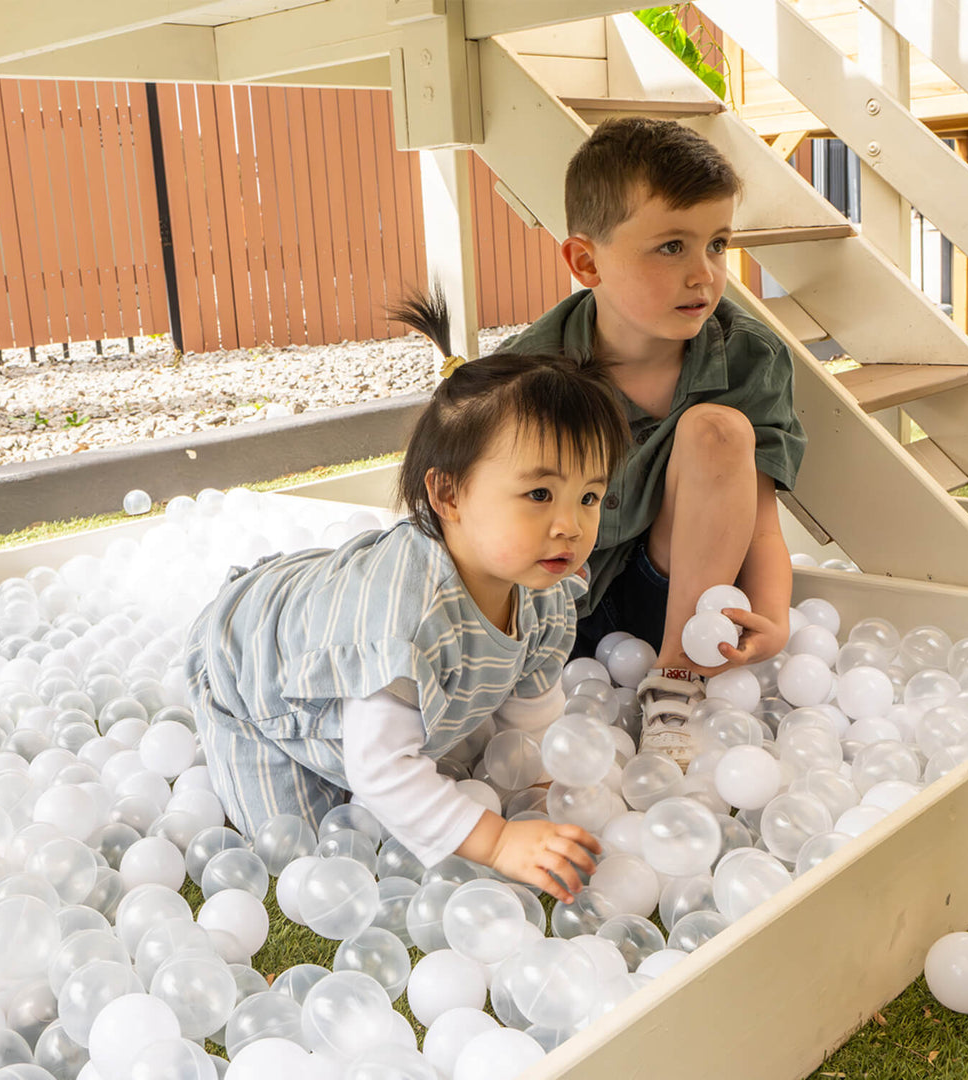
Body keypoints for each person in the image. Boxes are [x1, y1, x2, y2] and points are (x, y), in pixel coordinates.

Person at [185, 293, 630, 903]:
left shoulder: (544, 590)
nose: (571, 526)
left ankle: (377, 719)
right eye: (538, 496)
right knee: (309, 858)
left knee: (437, 760)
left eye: (589, 498)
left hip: (343, 610)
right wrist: (499, 842)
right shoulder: (405, 618)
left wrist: (544, 790)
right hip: (251, 670)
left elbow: (530, 710)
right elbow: (381, 770)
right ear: (448, 496)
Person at [503, 117, 807, 768]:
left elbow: (758, 528)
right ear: (587, 261)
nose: (704, 274)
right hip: (549, 608)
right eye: (671, 247)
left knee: (719, 431)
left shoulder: (749, 357)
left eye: (718, 244)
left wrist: (775, 620)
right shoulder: (524, 374)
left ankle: (676, 687)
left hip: (673, 597)